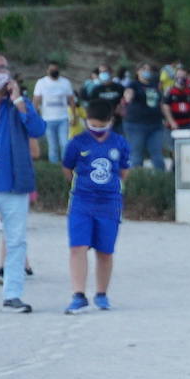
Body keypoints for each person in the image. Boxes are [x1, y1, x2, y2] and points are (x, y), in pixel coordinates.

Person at [0, 52, 46, 313]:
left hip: (15, 185)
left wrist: (18, 100)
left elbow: (38, 130)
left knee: (16, 242)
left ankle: (13, 295)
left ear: (9, 74)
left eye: (1, 68)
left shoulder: (21, 103)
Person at [61, 99, 130, 313]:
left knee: (105, 251)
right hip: (82, 202)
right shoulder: (77, 142)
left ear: (111, 121)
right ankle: (78, 295)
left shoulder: (119, 143)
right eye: (92, 125)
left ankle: (101, 294)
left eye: (101, 126)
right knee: (77, 247)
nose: (97, 130)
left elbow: (124, 171)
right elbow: (67, 168)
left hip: (109, 204)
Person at [122, 62, 172, 171]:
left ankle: (161, 178)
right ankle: (136, 179)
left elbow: (161, 103)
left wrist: (168, 120)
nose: (147, 71)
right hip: (136, 125)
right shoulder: (133, 84)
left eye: (149, 69)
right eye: (143, 69)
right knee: (136, 155)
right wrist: (128, 96)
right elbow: (128, 93)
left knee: (157, 155)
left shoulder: (155, 85)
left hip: (155, 125)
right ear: (137, 72)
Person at [34, 61, 76, 164]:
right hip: (47, 119)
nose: (54, 71)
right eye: (52, 69)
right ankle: (54, 164)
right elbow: (36, 100)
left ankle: (66, 163)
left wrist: (74, 116)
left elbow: (71, 100)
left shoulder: (65, 82)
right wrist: (34, 116)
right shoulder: (41, 83)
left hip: (63, 118)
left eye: (56, 69)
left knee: (64, 143)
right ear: (47, 71)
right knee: (52, 145)